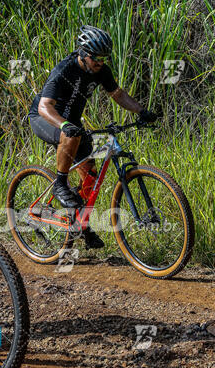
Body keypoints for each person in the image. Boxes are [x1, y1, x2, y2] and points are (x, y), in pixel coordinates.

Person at [28, 24, 157, 249]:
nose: (100, 62)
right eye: (96, 57)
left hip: (72, 126)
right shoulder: (64, 70)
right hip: (46, 119)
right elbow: (44, 107)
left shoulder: (101, 70)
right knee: (71, 136)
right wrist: (65, 124)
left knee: (90, 175)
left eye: (104, 58)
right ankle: (60, 184)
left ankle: (82, 225)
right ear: (83, 54)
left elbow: (117, 94)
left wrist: (140, 111)